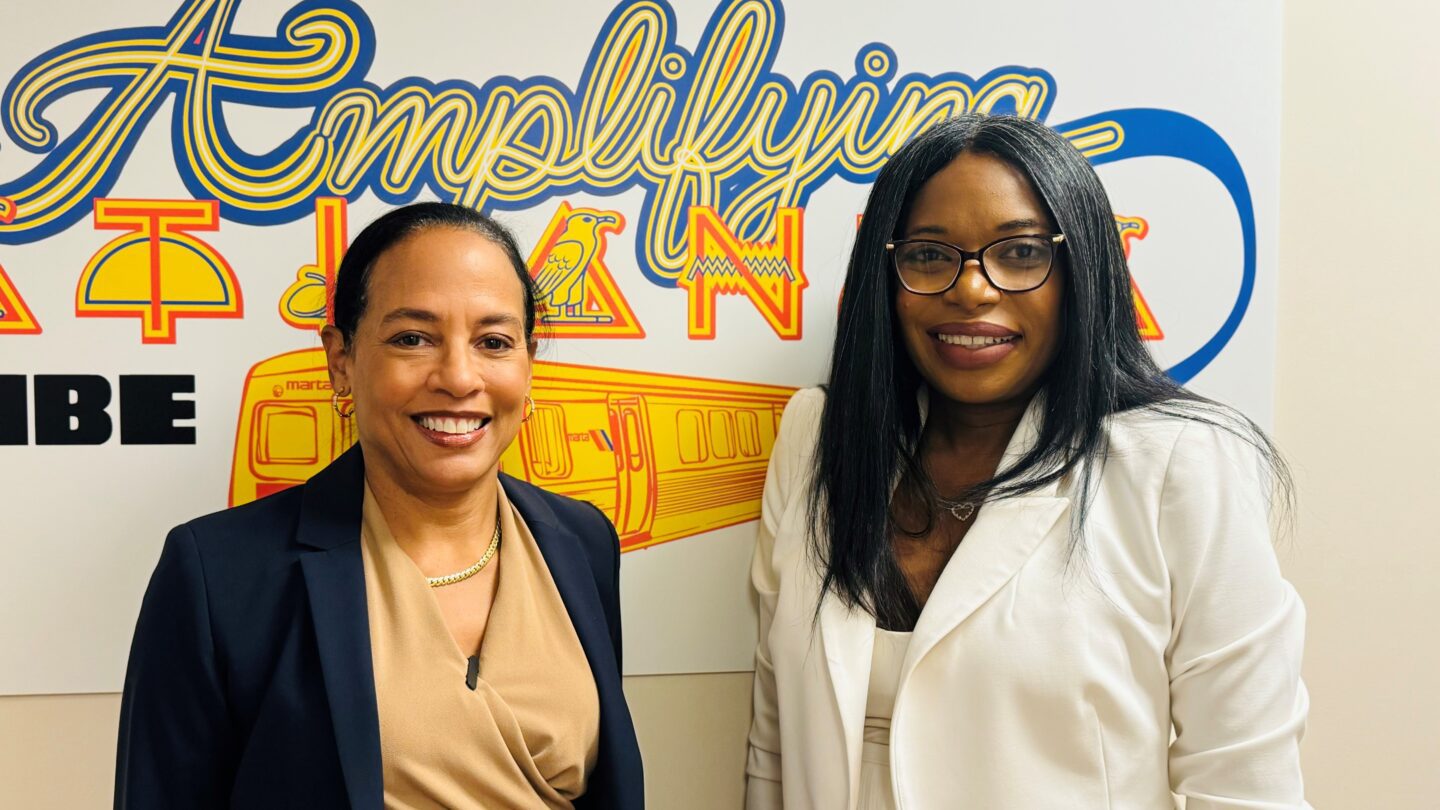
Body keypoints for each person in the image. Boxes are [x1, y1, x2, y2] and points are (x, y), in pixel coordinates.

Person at [745, 115, 1309, 809]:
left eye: (1020, 252)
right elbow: (772, 746)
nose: (973, 289)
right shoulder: (817, 439)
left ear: (1082, 273)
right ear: (884, 277)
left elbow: (1245, 783)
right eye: (928, 254)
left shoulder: (1182, 464)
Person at [116, 202, 644, 809]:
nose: (458, 376)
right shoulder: (218, 573)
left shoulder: (582, 541)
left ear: (527, 365)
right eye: (412, 338)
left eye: (494, 341)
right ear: (341, 361)